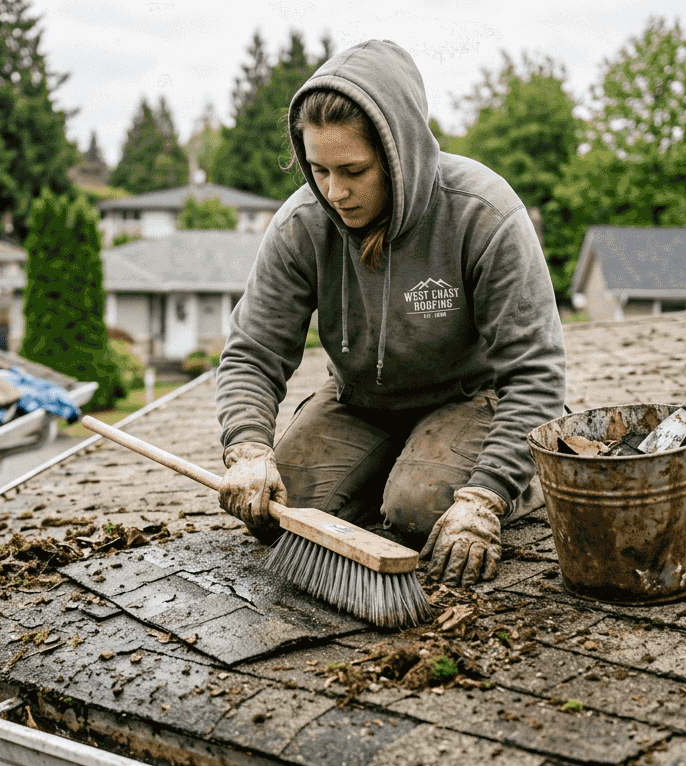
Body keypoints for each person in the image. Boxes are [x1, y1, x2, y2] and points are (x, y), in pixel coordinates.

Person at [214, 39, 566, 589]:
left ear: (398, 153)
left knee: (419, 513)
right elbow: (252, 352)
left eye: (353, 170)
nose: (335, 191)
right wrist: (248, 448)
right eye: (319, 170)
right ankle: (398, 460)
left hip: (471, 396)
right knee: (282, 510)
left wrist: (486, 496)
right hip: (362, 400)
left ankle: (527, 474)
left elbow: (536, 370)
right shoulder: (301, 225)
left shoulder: (483, 213)